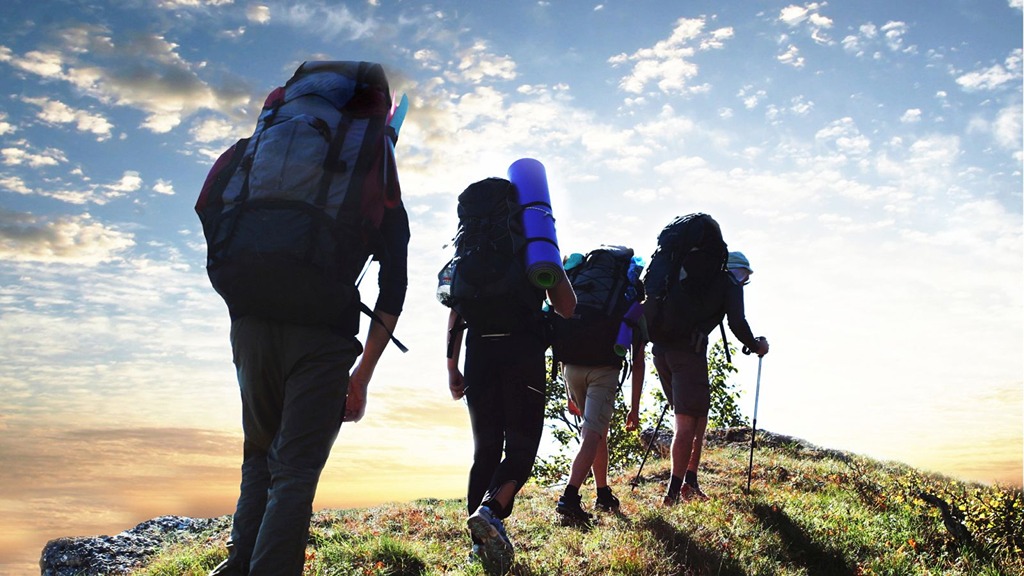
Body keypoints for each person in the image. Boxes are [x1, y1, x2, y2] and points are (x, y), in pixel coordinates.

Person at [210, 206, 410, 575]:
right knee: (295, 469)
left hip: (250, 326)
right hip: (322, 337)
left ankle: (237, 565)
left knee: (259, 453)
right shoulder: (380, 189)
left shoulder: (270, 161)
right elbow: (393, 287)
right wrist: (361, 376)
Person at [446, 248, 576, 575]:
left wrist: (451, 366)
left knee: (485, 451)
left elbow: (455, 310)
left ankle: (479, 548)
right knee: (521, 448)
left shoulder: (473, 243)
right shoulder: (535, 240)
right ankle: (489, 512)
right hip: (522, 351)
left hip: (478, 353)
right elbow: (567, 306)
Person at [653, 250, 768, 504]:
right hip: (687, 353)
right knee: (686, 424)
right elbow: (737, 322)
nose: (743, 282)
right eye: (745, 277)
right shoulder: (728, 282)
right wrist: (756, 345)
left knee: (698, 416)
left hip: (661, 351)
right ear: (739, 272)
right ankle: (673, 494)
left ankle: (690, 482)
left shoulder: (692, 278)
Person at [554, 257, 647, 522]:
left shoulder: (583, 289)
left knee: (598, 433)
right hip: (603, 370)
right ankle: (569, 498)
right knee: (592, 435)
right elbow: (637, 363)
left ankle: (603, 492)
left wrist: (567, 390)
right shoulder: (631, 303)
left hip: (570, 368)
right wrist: (635, 409)